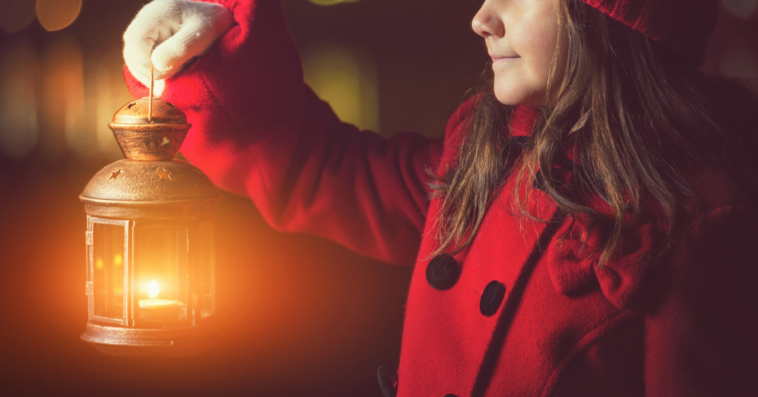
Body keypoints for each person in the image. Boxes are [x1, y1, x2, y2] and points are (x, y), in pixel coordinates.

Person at [122, 0, 758, 395]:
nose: (482, 17)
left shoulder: (699, 221)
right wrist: (208, 53)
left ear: (615, 16)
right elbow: (321, 171)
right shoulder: (481, 149)